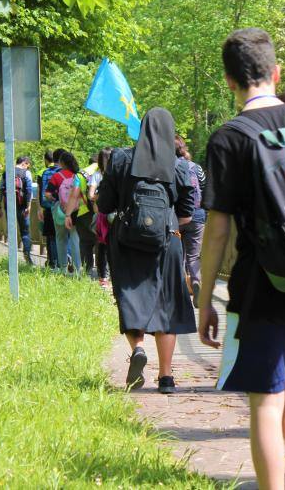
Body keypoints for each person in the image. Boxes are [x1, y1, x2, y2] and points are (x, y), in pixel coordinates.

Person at [198, 28, 285, 490]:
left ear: (229, 81)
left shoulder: (229, 137)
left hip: (261, 284)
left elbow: (217, 230)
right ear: (276, 73)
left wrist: (203, 298)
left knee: (265, 399)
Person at [97, 108, 197, 394]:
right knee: (167, 305)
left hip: (127, 241)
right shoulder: (179, 166)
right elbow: (187, 213)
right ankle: (166, 377)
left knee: (130, 296)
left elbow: (105, 205)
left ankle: (138, 348)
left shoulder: (120, 158)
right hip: (167, 241)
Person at [175, 135, 206, 306]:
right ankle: (196, 282)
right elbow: (204, 188)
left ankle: (179, 291)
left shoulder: (169, 167)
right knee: (193, 256)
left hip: (176, 218)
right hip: (197, 216)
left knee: (177, 255)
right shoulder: (197, 168)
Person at [45, 151, 82, 276]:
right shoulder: (77, 176)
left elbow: (48, 194)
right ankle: (78, 268)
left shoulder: (56, 176)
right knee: (75, 238)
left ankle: (63, 268)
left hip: (60, 211)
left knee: (60, 239)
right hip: (76, 211)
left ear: (61, 163)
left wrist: (57, 198)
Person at [0, 155, 34, 265]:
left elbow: (0, 189)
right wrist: (28, 205)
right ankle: (27, 257)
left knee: (12, 232)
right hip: (22, 207)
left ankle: (12, 259)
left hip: (9, 207)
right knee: (25, 232)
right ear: (24, 163)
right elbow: (29, 190)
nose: (27, 168)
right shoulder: (26, 173)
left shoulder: (6, 172)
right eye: (27, 165)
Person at [37, 149, 62, 269]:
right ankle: (65, 260)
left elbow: (40, 192)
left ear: (46, 160)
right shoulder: (65, 172)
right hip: (62, 208)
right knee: (63, 235)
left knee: (50, 236)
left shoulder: (43, 172)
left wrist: (39, 208)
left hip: (48, 207)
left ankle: (52, 262)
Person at [91, 147, 112, 288]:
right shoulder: (101, 175)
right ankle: (107, 277)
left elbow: (91, 196)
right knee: (107, 245)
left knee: (105, 246)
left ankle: (106, 277)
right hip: (109, 215)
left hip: (107, 215)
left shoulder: (99, 175)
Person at [77, 154, 100, 276]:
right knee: (99, 241)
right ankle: (101, 271)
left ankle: (87, 270)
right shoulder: (101, 170)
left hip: (81, 212)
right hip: (97, 212)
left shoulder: (80, 173)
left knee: (85, 242)